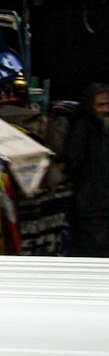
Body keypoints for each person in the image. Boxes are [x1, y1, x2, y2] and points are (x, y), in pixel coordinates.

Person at [63, 82, 109, 255]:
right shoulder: (83, 127)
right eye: (101, 105)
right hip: (91, 205)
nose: (105, 109)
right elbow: (74, 159)